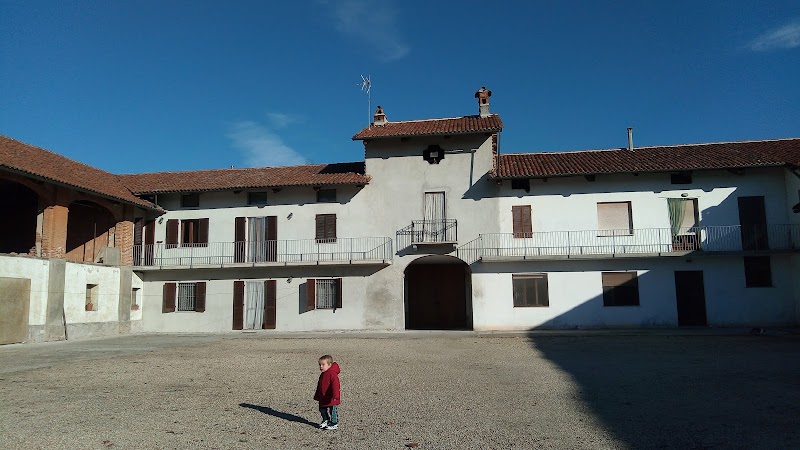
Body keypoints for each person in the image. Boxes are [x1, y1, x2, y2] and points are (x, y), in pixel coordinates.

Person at [314, 354, 341, 430]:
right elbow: (319, 385)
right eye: (320, 365)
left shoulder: (332, 374)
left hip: (331, 397)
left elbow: (336, 386)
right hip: (323, 396)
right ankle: (326, 420)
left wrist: (336, 396)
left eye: (323, 365)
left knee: (333, 411)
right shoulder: (323, 374)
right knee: (322, 409)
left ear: (329, 365)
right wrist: (317, 395)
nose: (321, 367)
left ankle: (334, 423)